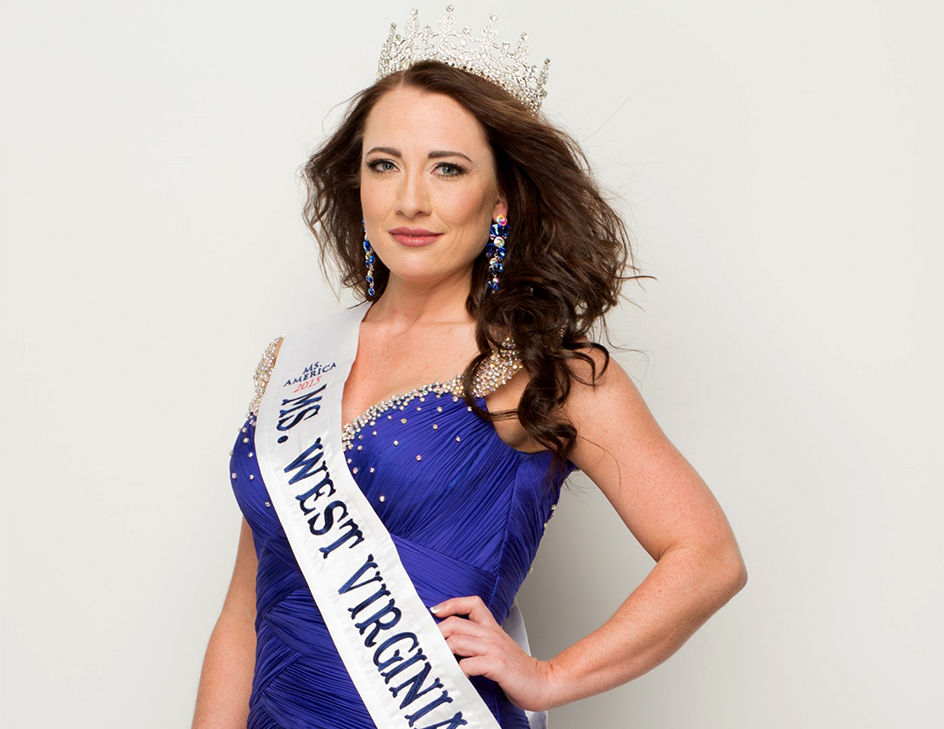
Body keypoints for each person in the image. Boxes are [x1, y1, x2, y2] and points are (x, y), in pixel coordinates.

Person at [192, 7, 747, 729]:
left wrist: (549, 678)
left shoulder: (545, 370)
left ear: (500, 199)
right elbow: (245, 611)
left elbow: (707, 557)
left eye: (447, 168)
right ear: (357, 184)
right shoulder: (295, 365)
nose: (410, 199)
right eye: (384, 164)